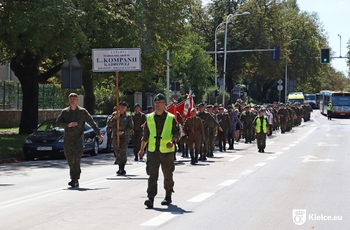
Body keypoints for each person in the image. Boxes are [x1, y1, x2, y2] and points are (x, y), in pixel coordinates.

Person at [138, 93, 180, 209]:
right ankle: (150, 198)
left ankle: (168, 195)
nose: (157, 105)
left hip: (167, 151)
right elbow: (145, 135)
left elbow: (177, 133)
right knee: (152, 175)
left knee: (167, 174)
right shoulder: (149, 117)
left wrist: (173, 141)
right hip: (153, 151)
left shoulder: (171, 118)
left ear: (164, 104)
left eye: (160, 102)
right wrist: (141, 149)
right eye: (156, 103)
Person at [56, 93, 104, 188]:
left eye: (74, 99)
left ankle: (75, 179)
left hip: (78, 140)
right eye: (71, 99)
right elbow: (58, 123)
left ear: (77, 100)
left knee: (76, 159)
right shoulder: (65, 112)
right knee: (70, 159)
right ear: (69, 100)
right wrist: (68, 125)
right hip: (68, 140)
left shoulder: (82, 112)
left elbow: (92, 122)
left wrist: (98, 134)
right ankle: (73, 177)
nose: (72, 100)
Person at [107, 101, 133, 175]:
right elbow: (109, 124)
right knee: (117, 151)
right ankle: (119, 165)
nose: (122, 109)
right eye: (121, 107)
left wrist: (123, 132)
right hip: (115, 136)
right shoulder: (114, 115)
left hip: (124, 136)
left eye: (124, 107)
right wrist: (115, 118)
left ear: (126, 108)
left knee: (122, 150)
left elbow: (130, 127)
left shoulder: (128, 117)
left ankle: (122, 167)